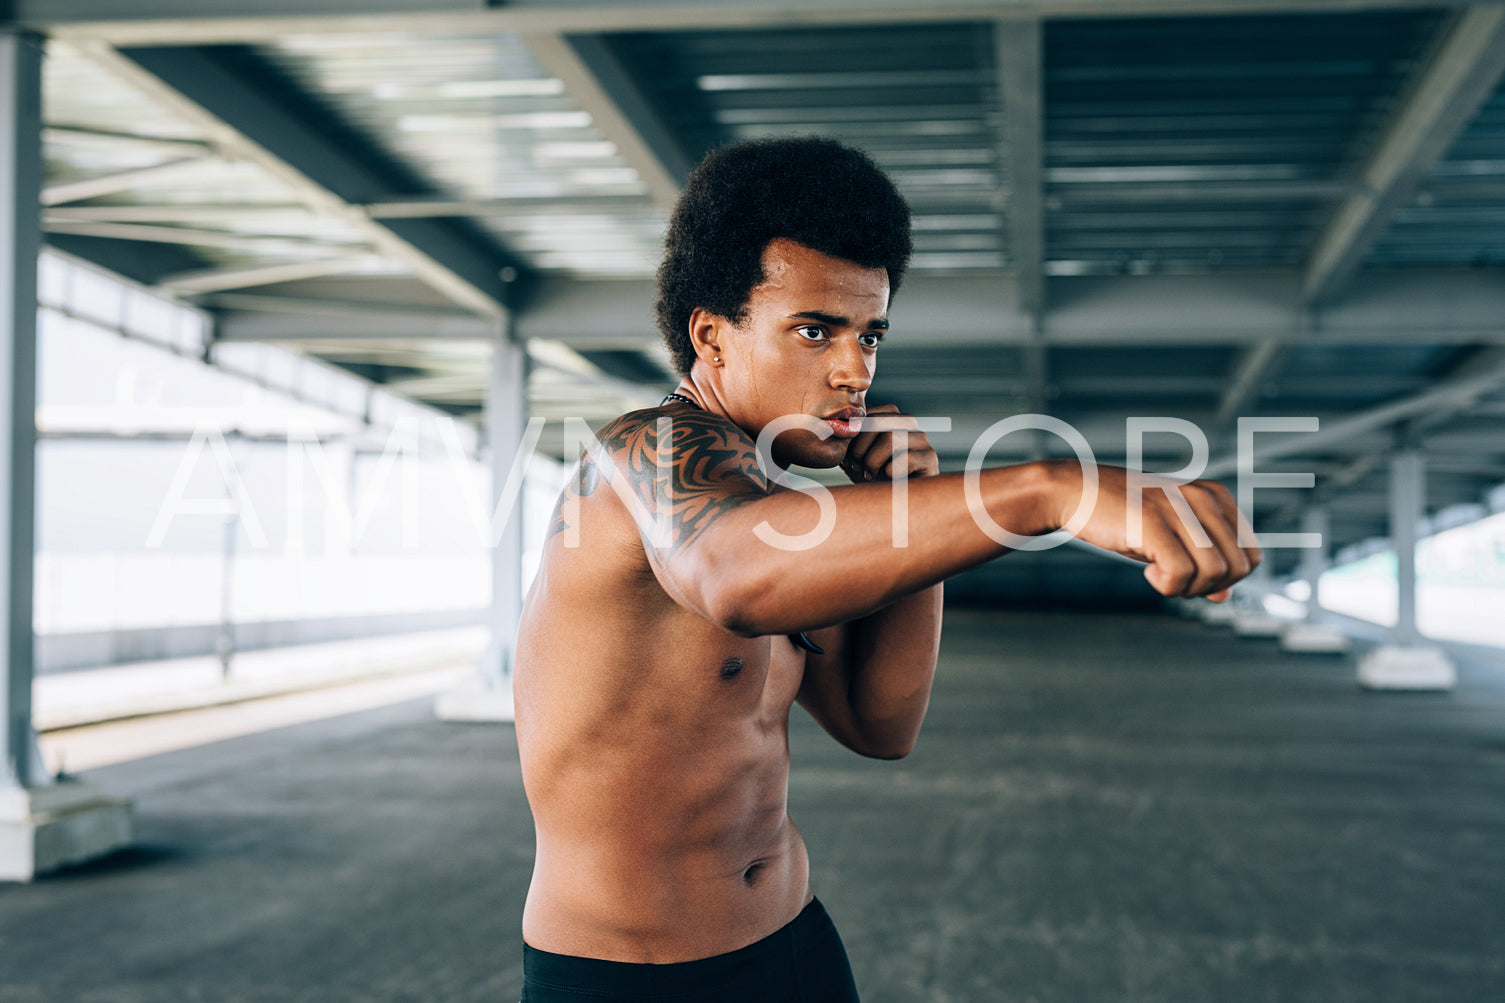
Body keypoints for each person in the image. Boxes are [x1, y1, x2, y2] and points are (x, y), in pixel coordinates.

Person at [512, 137, 1259, 1002]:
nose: (854, 368)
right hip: (635, 980)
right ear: (711, 335)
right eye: (814, 330)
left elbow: (879, 723)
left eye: (869, 332)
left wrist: (912, 498)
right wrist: (1044, 489)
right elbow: (730, 576)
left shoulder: (787, 508)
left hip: (793, 941)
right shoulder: (641, 452)